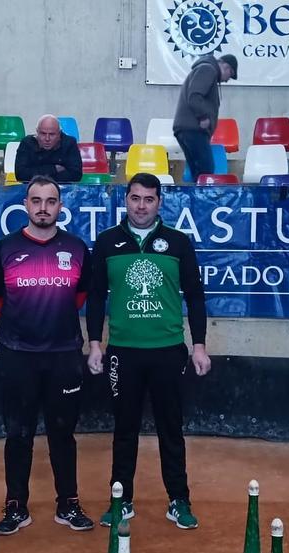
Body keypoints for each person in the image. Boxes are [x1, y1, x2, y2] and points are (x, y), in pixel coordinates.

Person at [86, 172, 210, 530]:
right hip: (123, 353)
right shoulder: (108, 242)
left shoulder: (178, 242)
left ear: (159, 202)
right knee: (124, 429)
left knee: (171, 428)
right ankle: (121, 500)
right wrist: (95, 344)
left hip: (168, 351)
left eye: (149, 199)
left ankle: (179, 500)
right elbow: (95, 297)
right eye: (135, 198)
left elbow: (196, 297)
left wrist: (199, 346)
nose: (141, 206)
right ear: (126, 200)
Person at [0, 176, 94, 536]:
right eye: (36, 200)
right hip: (17, 356)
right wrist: (22, 327)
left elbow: (80, 296)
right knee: (18, 433)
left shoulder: (77, 249)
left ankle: (68, 503)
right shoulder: (3, 250)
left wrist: (52, 324)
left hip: (64, 356)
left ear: (60, 206)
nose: (43, 207)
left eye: (51, 200)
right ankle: (16, 505)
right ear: (26, 205)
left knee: (64, 433)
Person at [172, 53, 236, 182]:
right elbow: (194, 95)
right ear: (226, 67)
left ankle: (196, 200)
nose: (228, 79)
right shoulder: (208, 70)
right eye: (231, 74)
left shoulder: (205, 69)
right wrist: (203, 117)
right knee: (206, 171)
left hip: (186, 128)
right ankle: (204, 201)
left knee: (198, 173)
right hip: (193, 129)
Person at [15, 114, 83, 183]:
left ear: (59, 134)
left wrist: (37, 173)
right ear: (37, 132)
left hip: (62, 188)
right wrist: (54, 169)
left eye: (52, 134)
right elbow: (20, 175)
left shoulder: (69, 143)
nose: (47, 139)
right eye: (43, 134)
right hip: (32, 188)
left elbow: (76, 175)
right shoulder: (27, 143)